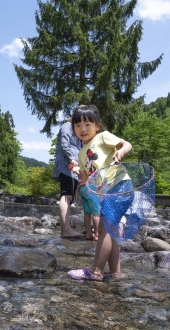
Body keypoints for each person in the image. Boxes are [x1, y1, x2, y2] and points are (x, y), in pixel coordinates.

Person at [67, 104, 133, 281]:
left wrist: (121, 151)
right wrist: (79, 173)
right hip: (106, 192)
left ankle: (95, 271)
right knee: (108, 230)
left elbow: (127, 144)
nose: (83, 129)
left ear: (97, 126)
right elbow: (88, 178)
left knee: (105, 228)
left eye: (87, 124)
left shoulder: (103, 137)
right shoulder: (81, 154)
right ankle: (116, 273)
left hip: (119, 186)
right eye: (78, 125)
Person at [53, 119, 83, 238]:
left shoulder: (78, 131)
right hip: (67, 166)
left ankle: (67, 229)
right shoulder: (67, 126)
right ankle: (66, 230)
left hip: (74, 168)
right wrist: (72, 159)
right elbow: (65, 143)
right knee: (66, 195)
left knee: (69, 197)